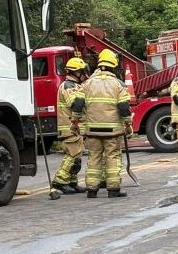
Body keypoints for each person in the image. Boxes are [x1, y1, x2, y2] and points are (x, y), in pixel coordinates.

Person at [80, 49, 133, 198]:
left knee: (94, 157)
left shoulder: (87, 83)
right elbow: (124, 108)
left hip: (92, 130)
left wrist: (75, 120)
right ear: (113, 66)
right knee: (112, 157)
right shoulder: (118, 84)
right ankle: (113, 190)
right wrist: (128, 124)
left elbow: (77, 104)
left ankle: (92, 190)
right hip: (112, 131)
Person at [51, 57, 89, 194]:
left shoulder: (75, 86)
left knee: (77, 157)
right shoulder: (69, 86)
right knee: (72, 155)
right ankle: (59, 182)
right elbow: (75, 104)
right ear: (76, 72)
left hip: (75, 128)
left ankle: (72, 182)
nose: (84, 74)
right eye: (82, 71)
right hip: (69, 127)